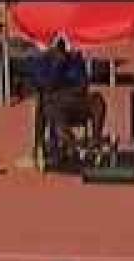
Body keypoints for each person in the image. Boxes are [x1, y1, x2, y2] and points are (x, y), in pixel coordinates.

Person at [29, 35, 107, 166]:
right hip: (56, 103)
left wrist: (71, 62)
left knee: (97, 100)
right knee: (55, 115)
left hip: (76, 101)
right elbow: (46, 86)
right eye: (59, 45)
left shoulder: (75, 59)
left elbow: (83, 83)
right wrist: (58, 64)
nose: (63, 47)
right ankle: (75, 147)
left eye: (63, 44)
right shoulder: (42, 61)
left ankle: (95, 140)